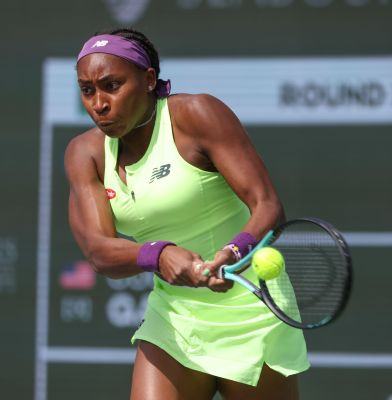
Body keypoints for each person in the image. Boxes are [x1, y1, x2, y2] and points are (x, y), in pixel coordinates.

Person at [65, 28, 309, 400]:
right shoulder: (86, 154)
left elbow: (268, 205)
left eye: (112, 85)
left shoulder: (197, 114)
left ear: (148, 80)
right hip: (174, 317)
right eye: (87, 90)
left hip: (251, 309)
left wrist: (235, 251)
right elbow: (100, 252)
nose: (99, 103)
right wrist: (158, 254)